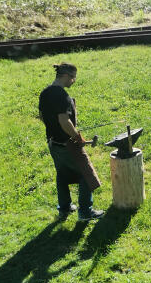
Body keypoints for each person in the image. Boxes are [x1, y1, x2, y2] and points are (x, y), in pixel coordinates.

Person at [38, 63, 104, 221]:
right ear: (66, 76)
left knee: (62, 174)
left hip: (53, 142)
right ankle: (85, 212)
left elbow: (42, 116)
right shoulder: (62, 96)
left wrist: (54, 129)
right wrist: (76, 137)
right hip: (67, 144)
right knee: (86, 174)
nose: (74, 81)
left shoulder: (45, 92)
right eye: (73, 77)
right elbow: (64, 120)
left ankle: (65, 208)